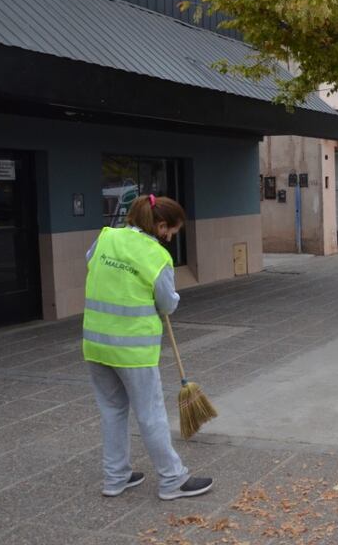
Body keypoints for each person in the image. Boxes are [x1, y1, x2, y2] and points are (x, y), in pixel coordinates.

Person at [83, 194, 213, 500]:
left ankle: (116, 478)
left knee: (113, 411)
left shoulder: (106, 237)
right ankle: (173, 480)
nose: (171, 239)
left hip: (96, 344)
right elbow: (167, 304)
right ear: (161, 225)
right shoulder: (156, 257)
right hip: (133, 350)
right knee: (150, 414)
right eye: (172, 232)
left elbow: (93, 266)